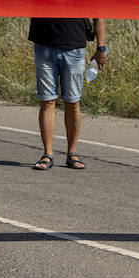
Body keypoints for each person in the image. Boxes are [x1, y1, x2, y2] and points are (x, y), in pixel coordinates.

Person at [28, 17, 107, 170]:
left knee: (72, 102)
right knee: (47, 101)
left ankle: (72, 153)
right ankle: (47, 154)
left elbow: (99, 15)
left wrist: (101, 48)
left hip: (74, 46)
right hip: (43, 44)